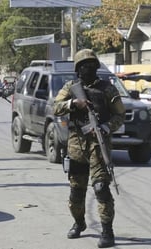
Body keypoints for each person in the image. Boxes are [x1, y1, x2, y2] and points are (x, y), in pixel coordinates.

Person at [53, 49, 125, 248]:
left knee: (101, 188)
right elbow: (55, 106)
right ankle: (79, 222)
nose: (88, 68)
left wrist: (105, 127)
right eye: (84, 65)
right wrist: (73, 103)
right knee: (76, 190)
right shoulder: (71, 87)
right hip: (76, 144)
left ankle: (107, 231)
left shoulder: (107, 89)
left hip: (98, 144)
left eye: (92, 65)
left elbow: (120, 115)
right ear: (78, 69)